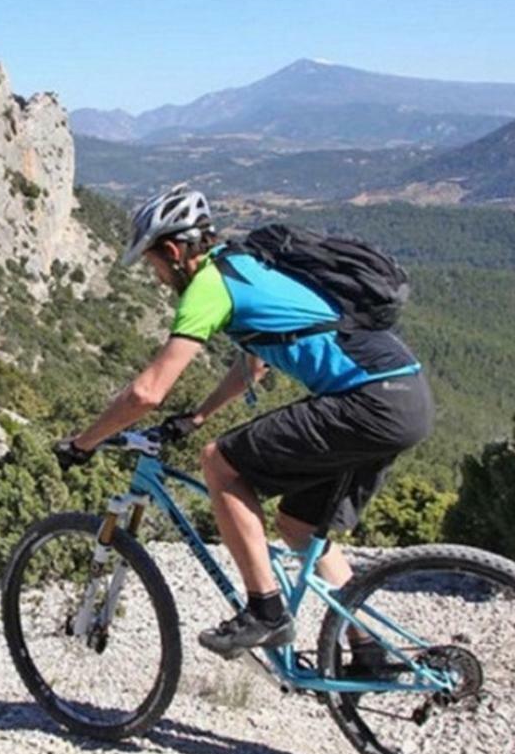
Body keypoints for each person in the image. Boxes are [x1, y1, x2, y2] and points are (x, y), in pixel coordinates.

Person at [56, 185, 433, 664]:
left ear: (173, 251)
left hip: (369, 402)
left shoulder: (207, 288)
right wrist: (196, 417)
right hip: (405, 397)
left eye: (152, 263)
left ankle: (265, 611)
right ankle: (370, 649)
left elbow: (147, 392)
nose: (154, 276)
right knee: (298, 525)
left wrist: (84, 443)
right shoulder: (245, 263)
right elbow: (253, 364)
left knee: (219, 462)